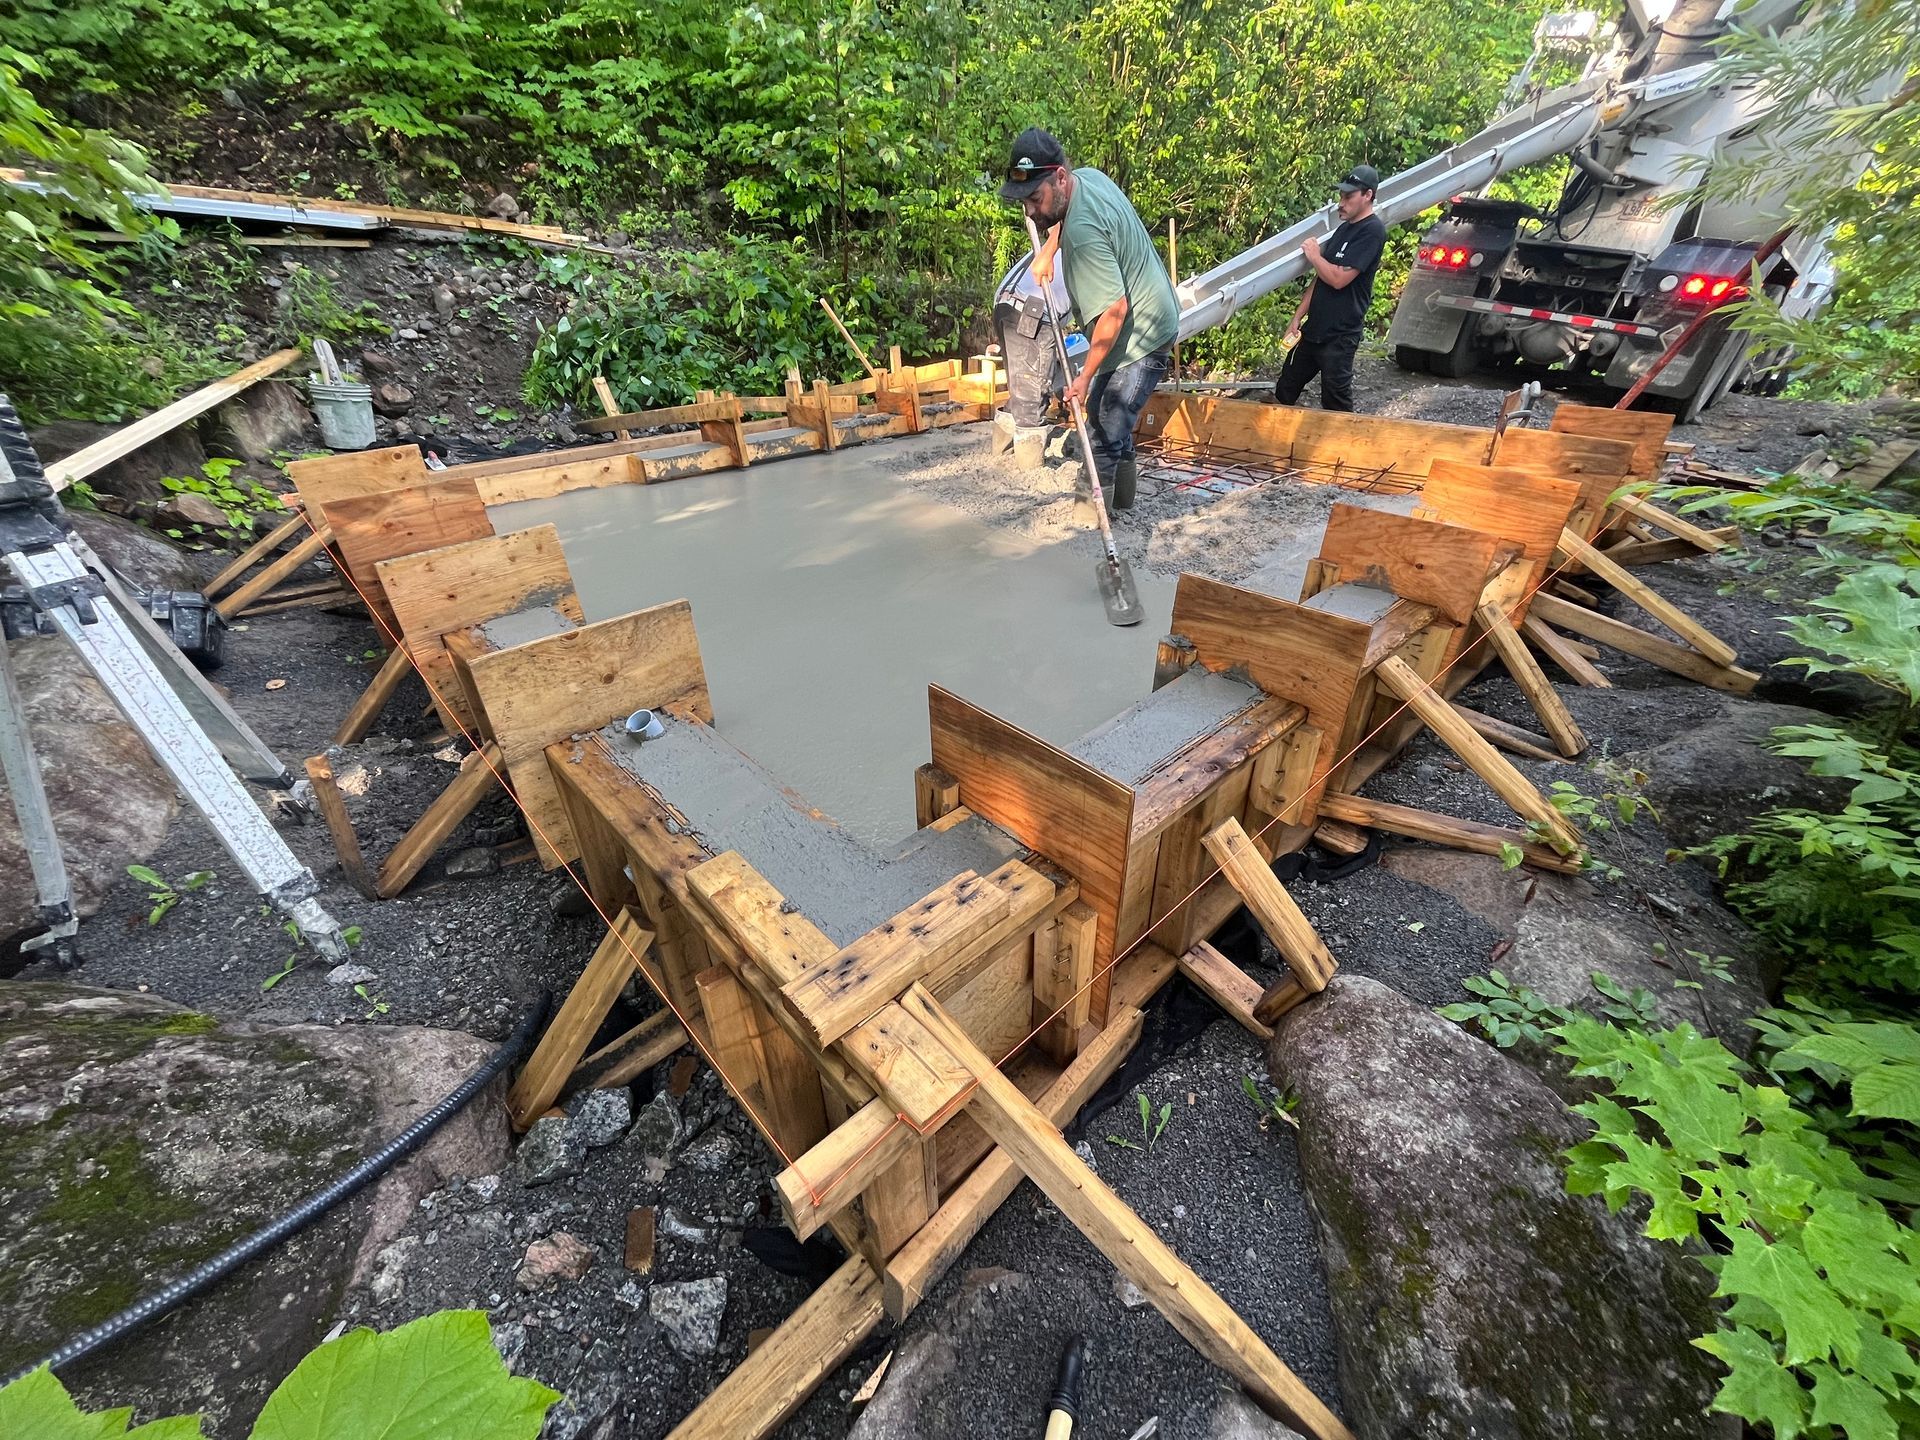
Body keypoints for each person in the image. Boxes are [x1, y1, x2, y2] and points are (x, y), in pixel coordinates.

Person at [1000, 127, 1178, 510]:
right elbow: (1062, 218)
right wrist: (1048, 249)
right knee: (1117, 419)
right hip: (1149, 315)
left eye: (1035, 198)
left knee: (1101, 426)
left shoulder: (1082, 236)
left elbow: (1114, 311)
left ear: (1060, 178)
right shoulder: (1089, 179)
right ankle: (1124, 504)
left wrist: (1082, 378)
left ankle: (1087, 519)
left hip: (1141, 335)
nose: (1031, 211)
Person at [1273, 164, 1387, 413]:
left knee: (1335, 400)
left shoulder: (1372, 232)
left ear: (1367, 195)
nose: (1341, 203)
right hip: (1314, 330)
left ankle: (1342, 449)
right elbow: (1321, 278)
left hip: (1340, 336)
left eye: (1348, 197)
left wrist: (1315, 256)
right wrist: (1297, 317)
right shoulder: (1344, 229)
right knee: (1286, 387)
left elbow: (1338, 279)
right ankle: (1275, 442)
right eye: (1341, 196)